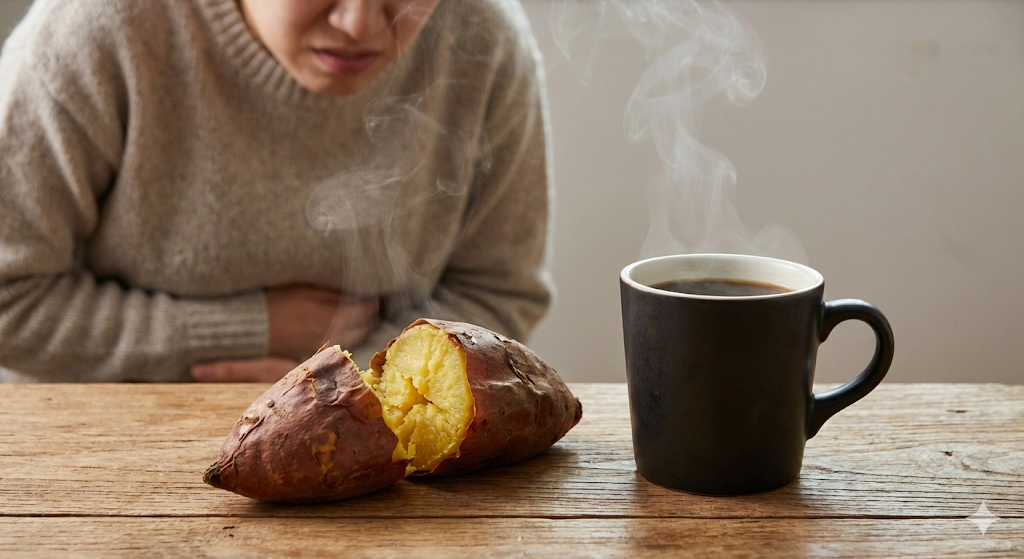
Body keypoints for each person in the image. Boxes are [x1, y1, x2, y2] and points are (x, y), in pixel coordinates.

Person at [0, 0, 552, 383]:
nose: (359, 23)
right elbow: (9, 300)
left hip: (383, 453)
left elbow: (499, 295)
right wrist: (244, 331)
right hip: (95, 444)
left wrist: (347, 381)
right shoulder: (96, 29)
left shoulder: (484, 36)